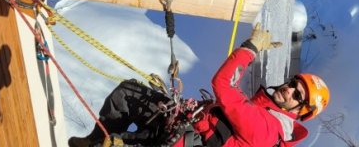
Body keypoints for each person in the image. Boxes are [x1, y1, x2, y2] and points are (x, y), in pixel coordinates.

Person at [69, 23, 330, 147]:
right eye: (294, 83)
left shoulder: (268, 129)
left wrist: (250, 49)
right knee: (127, 93)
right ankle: (93, 139)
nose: (289, 89)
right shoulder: (263, 111)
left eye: (298, 95)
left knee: (115, 144)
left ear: (301, 111)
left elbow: (223, 86)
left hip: (178, 142)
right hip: (180, 127)